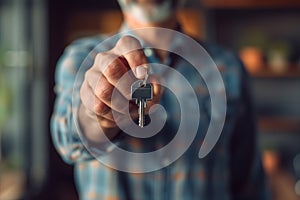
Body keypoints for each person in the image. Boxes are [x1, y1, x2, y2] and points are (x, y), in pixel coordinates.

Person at [51, 0, 270, 199]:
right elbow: (69, 139)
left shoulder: (228, 67)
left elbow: (249, 183)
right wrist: (100, 115)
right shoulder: (83, 58)